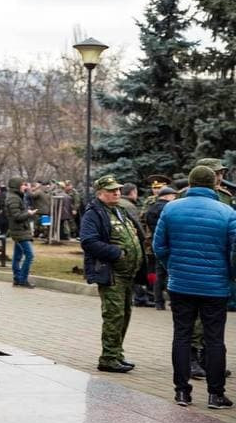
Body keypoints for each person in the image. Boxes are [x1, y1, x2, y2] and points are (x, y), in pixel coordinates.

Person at [152, 165, 236, 409]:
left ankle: (182, 392)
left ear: (190, 183)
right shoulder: (227, 212)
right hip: (215, 286)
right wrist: (229, 275)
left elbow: (159, 247)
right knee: (214, 339)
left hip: (180, 285)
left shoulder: (171, 208)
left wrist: (173, 268)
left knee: (181, 336)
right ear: (213, 185)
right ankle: (215, 394)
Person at [80, 174, 141, 373]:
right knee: (114, 316)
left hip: (128, 274)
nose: (117, 193)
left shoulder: (120, 210)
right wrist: (117, 253)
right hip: (112, 273)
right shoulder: (94, 213)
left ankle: (116, 354)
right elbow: (89, 241)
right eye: (111, 190)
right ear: (100, 193)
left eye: (118, 189)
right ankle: (108, 358)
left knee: (124, 315)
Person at [4, 177, 37, 287]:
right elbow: (17, 216)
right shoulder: (14, 198)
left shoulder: (16, 196)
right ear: (17, 185)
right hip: (20, 231)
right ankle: (22, 279)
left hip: (20, 230)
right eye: (23, 185)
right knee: (29, 255)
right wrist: (29, 213)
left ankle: (17, 278)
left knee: (17, 256)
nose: (25, 187)